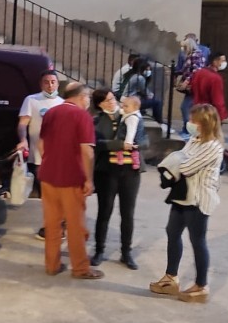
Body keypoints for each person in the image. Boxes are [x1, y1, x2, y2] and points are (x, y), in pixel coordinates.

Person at [149, 103, 225, 303]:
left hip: (199, 200)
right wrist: (176, 159)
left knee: (197, 241)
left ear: (204, 124)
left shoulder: (213, 147)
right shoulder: (194, 140)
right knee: (172, 232)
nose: (189, 123)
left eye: (193, 121)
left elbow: (186, 166)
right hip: (182, 195)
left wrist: (174, 159)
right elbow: (180, 159)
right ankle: (170, 278)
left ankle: (201, 285)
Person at [37, 82, 100, 279]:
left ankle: (52, 265)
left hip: (48, 176)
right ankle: (81, 268)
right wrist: (88, 179)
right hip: (71, 178)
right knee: (75, 225)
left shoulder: (51, 113)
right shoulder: (83, 116)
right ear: (83, 96)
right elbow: (87, 151)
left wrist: (49, 162)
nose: (89, 101)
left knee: (52, 223)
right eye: (88, 97)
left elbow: (41, 144)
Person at [90, 89, 142, 270]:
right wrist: (120, 145)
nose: (111, 103)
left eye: (112, 98)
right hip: (106, 172)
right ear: (99, 104)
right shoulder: (95, 120)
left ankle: (126, 253)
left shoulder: (130, 114)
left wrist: (135, 145)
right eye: (106, 101)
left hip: (130, 172)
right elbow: (96, 144)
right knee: (104, 212)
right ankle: (99, 250)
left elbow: (144, 141)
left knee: (128, 214)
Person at [15, 70, 63, 239]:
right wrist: (23, 139)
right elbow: (22, 124)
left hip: (60, 157)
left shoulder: (63, 103)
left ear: (58, 83)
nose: (50, 85)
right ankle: (52, 225)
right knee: (46, 194)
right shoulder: (31, 100)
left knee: (59, 193)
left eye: (53, 81)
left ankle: (56, 225)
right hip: (38, 157)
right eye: (46, 82)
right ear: (40, 84)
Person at [176, 34, 208, 137]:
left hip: (194, 87)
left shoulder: (195, 55)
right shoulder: (193, 55)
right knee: (189, 108)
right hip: (192, 87)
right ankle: (189, 129)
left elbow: (196, 71)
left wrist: (187, 82)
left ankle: (188, 130)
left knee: (185, 107)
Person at [190, 51, 228, 122]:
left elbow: (192, 89)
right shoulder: (216, 78)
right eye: (222, 60)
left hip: (197, 111)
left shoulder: (198, 73)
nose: (224, 63)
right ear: (215, 61)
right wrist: (221, 116)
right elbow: (218, 100)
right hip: (210, 115)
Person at [122, 58, 163, 124]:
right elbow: (146, 93)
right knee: (157, 102)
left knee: (151, 100)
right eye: (147, 69)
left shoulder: (134, 75)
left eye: (149, 70)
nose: (149, 71)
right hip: (130, 101)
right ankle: (159, 121)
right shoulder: (140, 78)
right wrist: (151, 95)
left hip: (127, 99)